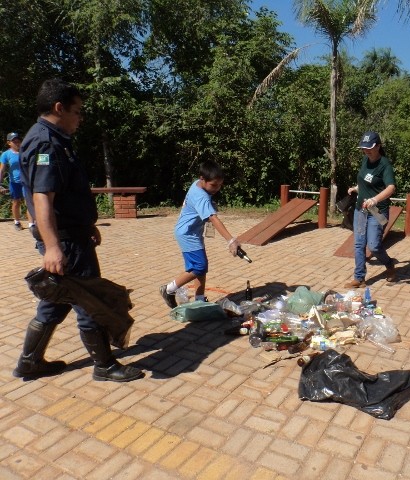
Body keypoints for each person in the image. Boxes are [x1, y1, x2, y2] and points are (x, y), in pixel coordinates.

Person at [14, 78, 143, 382]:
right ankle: (105, 365)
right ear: (59, 108)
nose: (80, 117)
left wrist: (87, 226)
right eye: (77, 111)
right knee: (89, 301)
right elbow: (42, 198)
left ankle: (30, 362)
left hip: (73, 236)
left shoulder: (50, 138)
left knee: (55, 302)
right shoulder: (46, 142)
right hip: (67, 244)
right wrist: (54, 246)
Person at [160, 160, 243, 307]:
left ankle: (199, 301)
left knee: (200, 267)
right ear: (202, 179)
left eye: (219, 185)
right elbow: (213, 218)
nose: (216, 189)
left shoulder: (198, 184)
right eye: (213, 185)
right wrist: (231, 240)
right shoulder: (201, 196)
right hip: (187, 234)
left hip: (193, 232)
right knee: (199, 267)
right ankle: (169, 289)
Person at [344, 131, 397, 288]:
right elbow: (365, 182)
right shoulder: (365, 161)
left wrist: (374, 199)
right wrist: (355, 188)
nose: (366, 151)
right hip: (360, 209)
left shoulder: (385, 165)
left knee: (373, 246)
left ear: (378, 146)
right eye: (364, 148)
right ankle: (359, 278)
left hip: (377, 211)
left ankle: (389, 264)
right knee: (359, 244)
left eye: (369, 148)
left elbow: (391, 188)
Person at [0, 132, 34, 231]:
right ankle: (17, 222)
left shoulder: (26, 152)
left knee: (29, 202)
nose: (17, 143)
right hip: (14, 182)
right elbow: (2, 170)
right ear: (9, 143)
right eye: (14, 141)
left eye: (18, 140)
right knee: (16, 202)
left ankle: (31, 224)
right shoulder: (6, 154)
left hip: (26, 182)